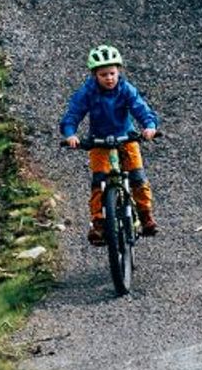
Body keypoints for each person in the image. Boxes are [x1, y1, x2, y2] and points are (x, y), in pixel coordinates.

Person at [60, 44, 159, 243]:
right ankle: (98, 224)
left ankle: (145, 215)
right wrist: (71, 134)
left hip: (126, 137)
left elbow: (140, 108)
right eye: (103, 74)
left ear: (119, 71)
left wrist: (149, 126)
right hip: (99, 141)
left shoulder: (126, 89)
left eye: (112, 73)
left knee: (138, 177)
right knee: (99, 182)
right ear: (94, 75)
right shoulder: (87, 92)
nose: (109, 78)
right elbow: (73, 114)